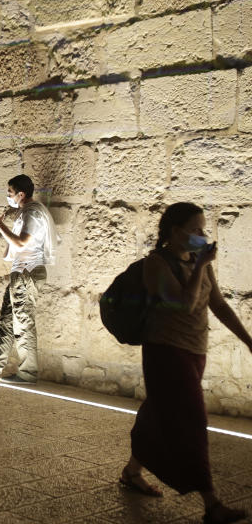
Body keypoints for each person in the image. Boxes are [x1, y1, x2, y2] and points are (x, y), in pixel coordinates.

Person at [119, 202, 252, 524]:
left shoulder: (198, 261)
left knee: (158, 412)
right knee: (193, 419)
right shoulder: (156, 264)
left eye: (203, 229)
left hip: (195, 350)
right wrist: (203, 264)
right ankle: (212, 503)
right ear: (176, 232)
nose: (202, 236)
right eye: (196, 230)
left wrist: (248, 340)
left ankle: (132, 471)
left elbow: (217, 305)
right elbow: (185, 304)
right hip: (165, 351)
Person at [0, 174, 57, 384]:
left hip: (27, 272)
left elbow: (22, 243)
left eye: (10, 193)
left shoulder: (32, 212)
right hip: (21, 273)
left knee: (23, 323)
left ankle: (28, 373)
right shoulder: (28, 212)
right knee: (6, 321)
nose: (8, 196)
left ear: (21, 194)